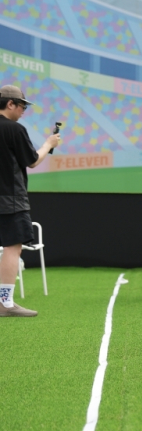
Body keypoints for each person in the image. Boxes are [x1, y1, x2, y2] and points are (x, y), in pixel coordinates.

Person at [0, 85, 60, 317]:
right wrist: (48, 144)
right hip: (11, 199)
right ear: (10, 104)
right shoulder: (15, 130)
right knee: (12, 248)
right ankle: (5, 304)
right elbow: (33, 161)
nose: (24, 109)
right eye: (22, 105)